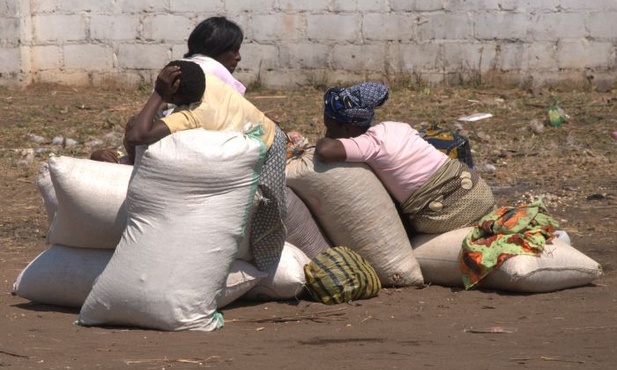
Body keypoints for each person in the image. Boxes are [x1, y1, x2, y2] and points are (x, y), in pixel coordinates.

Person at [124, 60, 287, 271]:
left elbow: (138, 135)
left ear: (174, 96)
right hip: (255, 133)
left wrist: (158, 93)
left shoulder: (193, 115)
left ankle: (265, 268)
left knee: (269, 210)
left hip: (269, 142)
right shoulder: (205, 79)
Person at [314, 82, 495, 234]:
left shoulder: (369, 144)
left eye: (330, 128)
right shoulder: (396, 127)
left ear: (346, 128)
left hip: (451, 211)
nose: (328, 133)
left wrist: (324, 140)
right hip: (478, 190)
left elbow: (324, 150)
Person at [91, 16, 246, 163]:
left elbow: (138, 134)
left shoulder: (176, 72)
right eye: (234, 50)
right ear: (217, 49)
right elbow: (139, 135)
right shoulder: (212, 78)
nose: (238, 57)